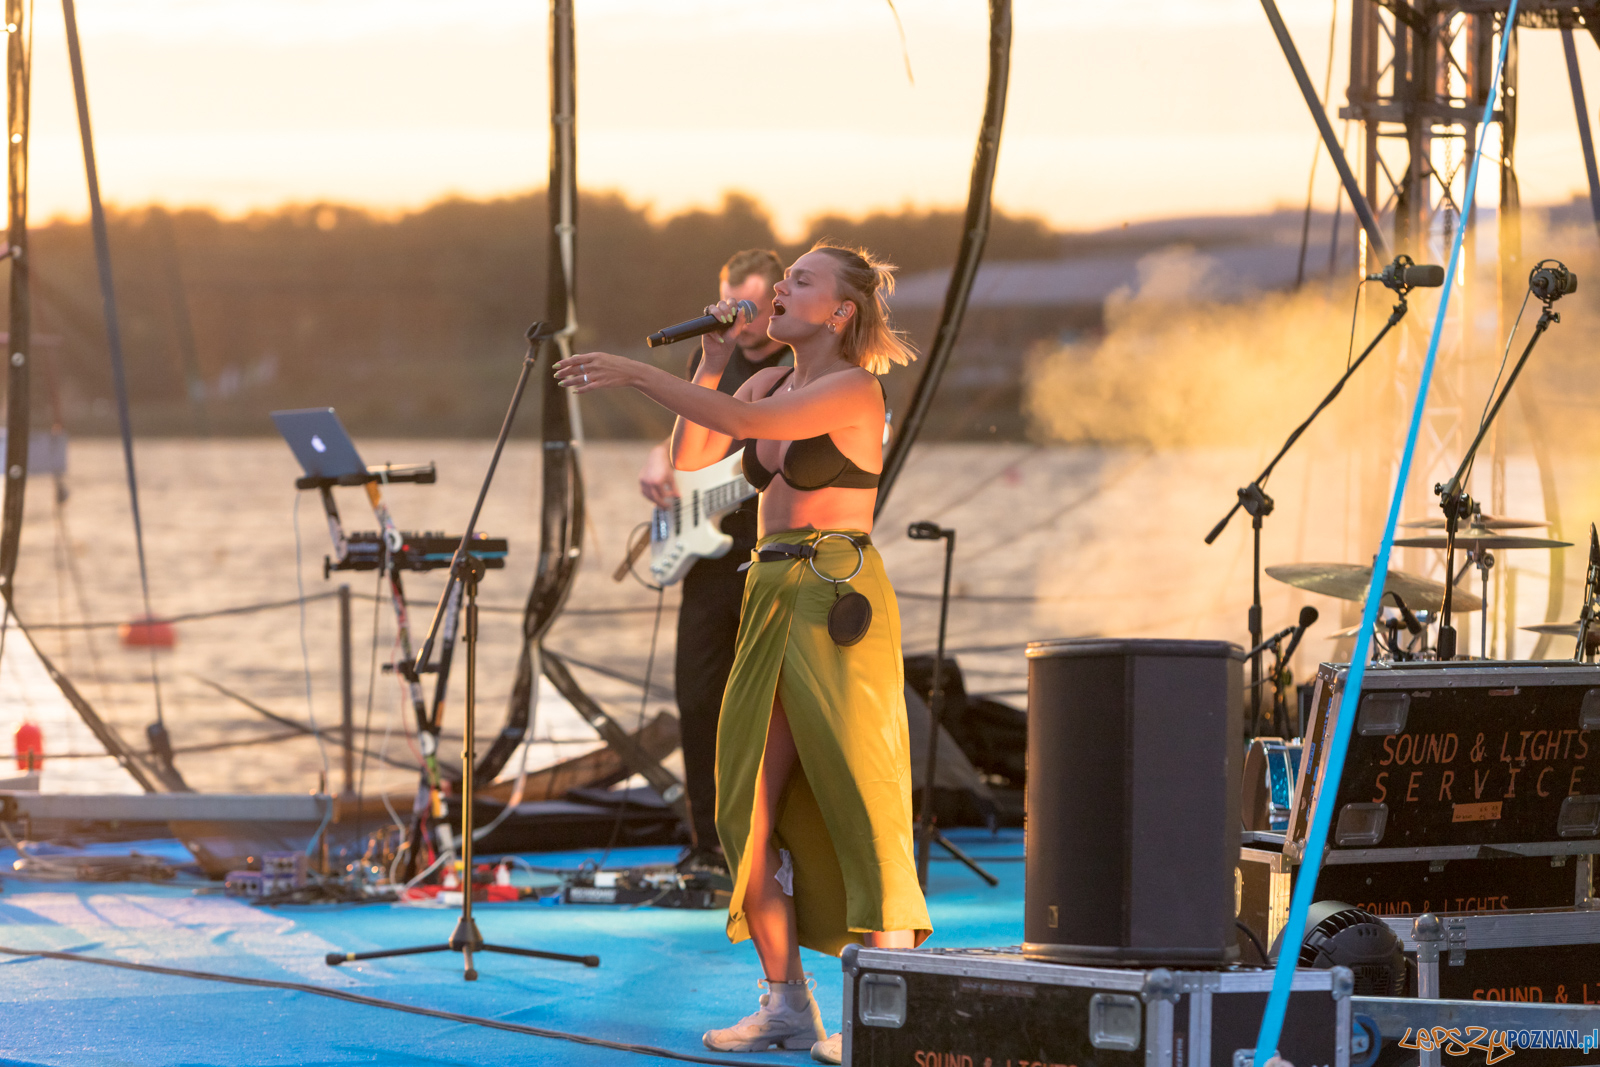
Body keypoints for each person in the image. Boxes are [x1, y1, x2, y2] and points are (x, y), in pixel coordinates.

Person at [557, 243, 929, 1063]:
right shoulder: (767, 379)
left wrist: (636, 372)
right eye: (783, 277)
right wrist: (713, 358)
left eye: (802, 280)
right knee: (743, 807)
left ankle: (888, 1009)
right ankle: (788, 1001)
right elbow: (695, 460)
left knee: (858, 794)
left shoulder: (852, 388)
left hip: (836, 595)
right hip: (768, 592)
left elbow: (754, 430)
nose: (783, 289)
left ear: (838, 311)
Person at [637, 249, 791, 868]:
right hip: (705, 551)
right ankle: (707, 845)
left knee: (772, 701)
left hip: (768, 547)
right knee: (699, 698)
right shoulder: (710, 357)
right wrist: (658, 458)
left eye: (752, 306)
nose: (741, 318)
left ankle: (775, 844)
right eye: (733, 305)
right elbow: (690, 436)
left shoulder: (798, 366)